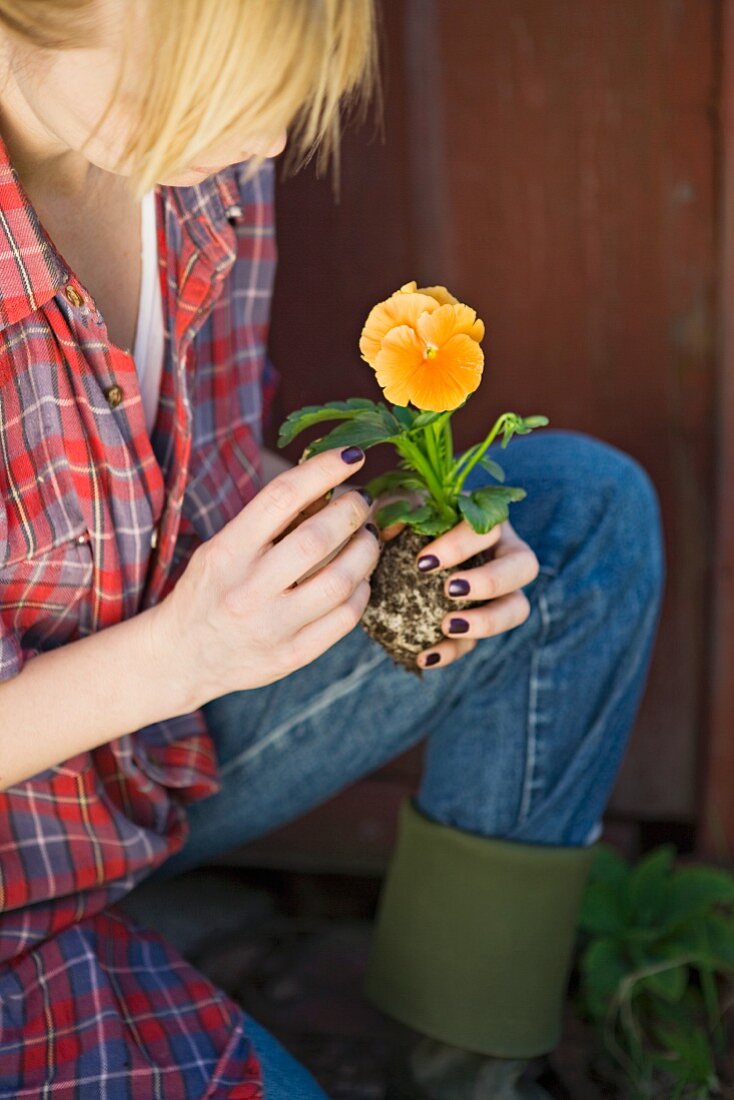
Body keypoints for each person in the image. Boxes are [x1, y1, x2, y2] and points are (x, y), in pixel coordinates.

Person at [0, 1, 665, 1097]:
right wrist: (182, 652)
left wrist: (388, 555)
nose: (264, 144)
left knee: (575, 520)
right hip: (31, 838)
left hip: (161, 754)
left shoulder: (198, 159)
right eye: (220, 95)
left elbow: (182, 479)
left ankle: (470, 1074)